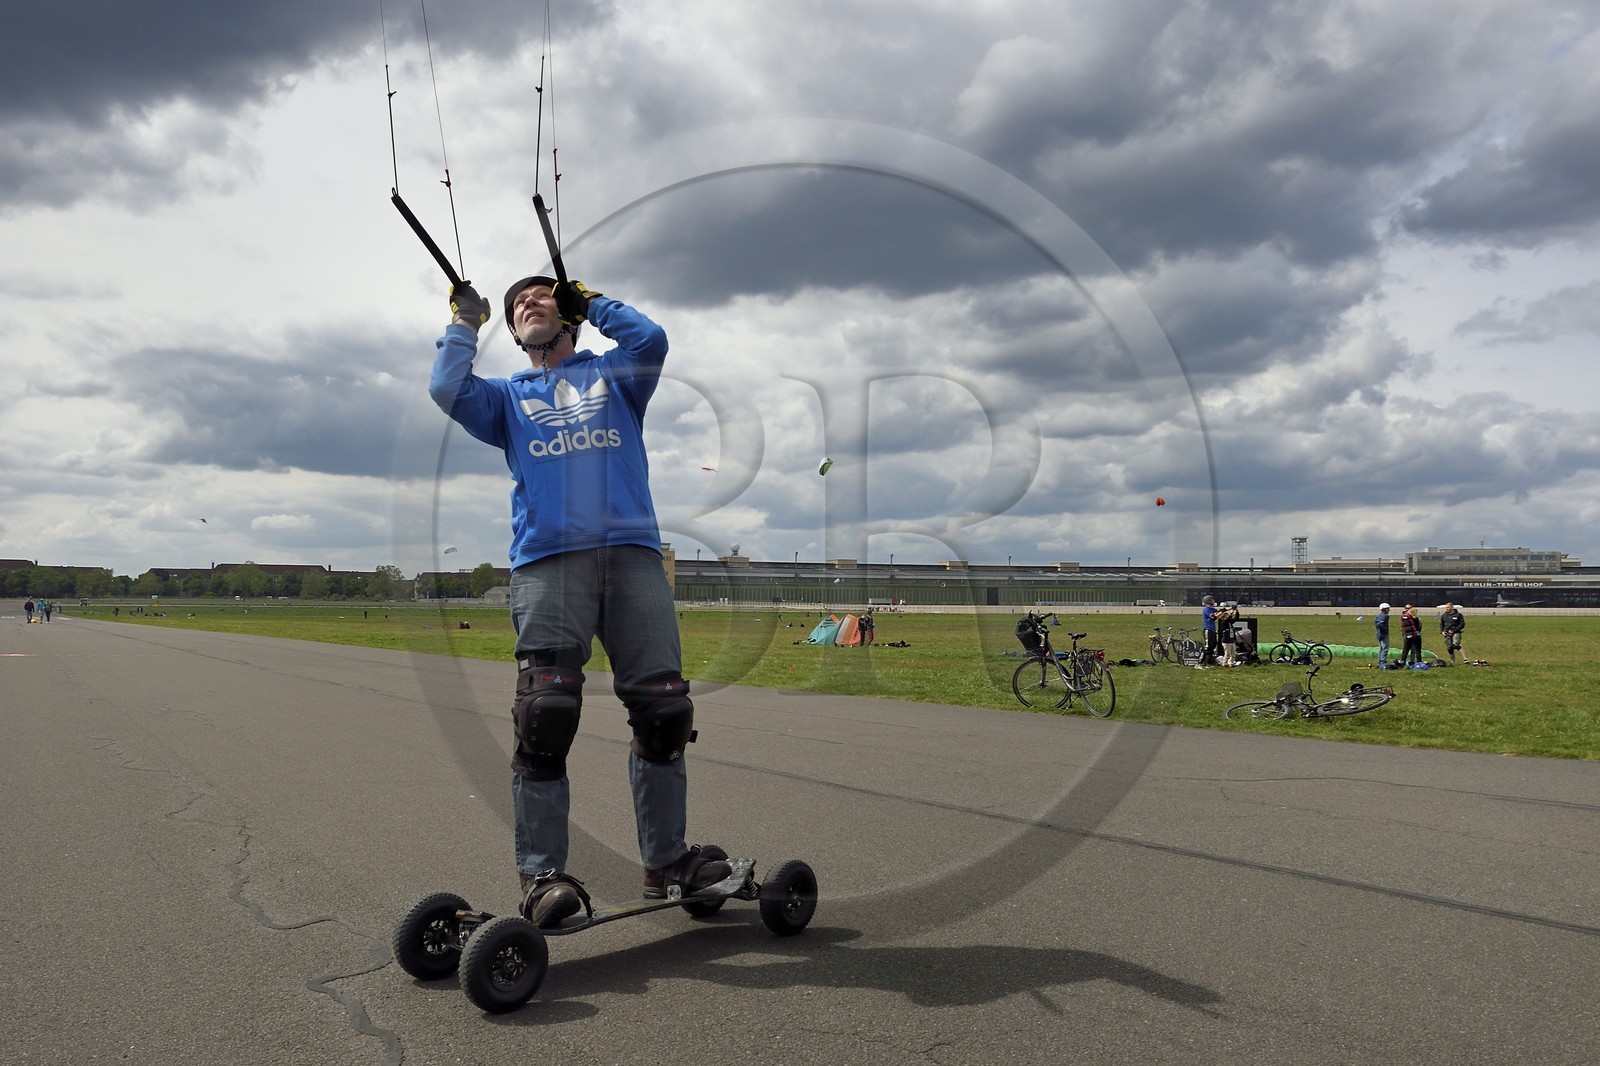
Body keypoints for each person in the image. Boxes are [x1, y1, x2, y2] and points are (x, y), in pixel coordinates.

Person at [429, 273, 730, 929]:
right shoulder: (506, 398)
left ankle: (667, 861)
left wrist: (592, 302)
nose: (526, 302)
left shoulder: (616, 376)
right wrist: (465, 323)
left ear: (565, 312)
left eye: (540, 295)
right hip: (548, 561)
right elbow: (446, 387)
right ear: (512, 331)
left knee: (664, 712)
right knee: (545, 713)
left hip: (631, 556)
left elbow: (650, 338)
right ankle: (542, 878)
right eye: (516, 304)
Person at [1201, 596, 1220, 665]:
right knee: (1207, 647)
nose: (1214, 600)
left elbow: (1219, 611)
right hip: (1208, 630)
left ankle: (1209, 662)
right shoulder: (1206, 609)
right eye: (1212, 599)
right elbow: (1213, 617)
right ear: (1209, 601)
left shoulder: (1212, 609)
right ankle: (1201, 662)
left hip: (1213, 630)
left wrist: (1230, 609)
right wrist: (1218, 614)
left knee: (1213, 646)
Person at [1374, 603, 1391, 670]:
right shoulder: (1384, 616)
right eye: (1388, 609)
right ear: (1385, 609)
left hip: (1379, 633)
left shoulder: (1379, 615)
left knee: (1381, 648)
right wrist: (1385, 630)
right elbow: (1379, 624)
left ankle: (1379, 661)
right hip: (1383, 634)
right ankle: (1383, 662)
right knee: (1385, 648)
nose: (1389, 610)